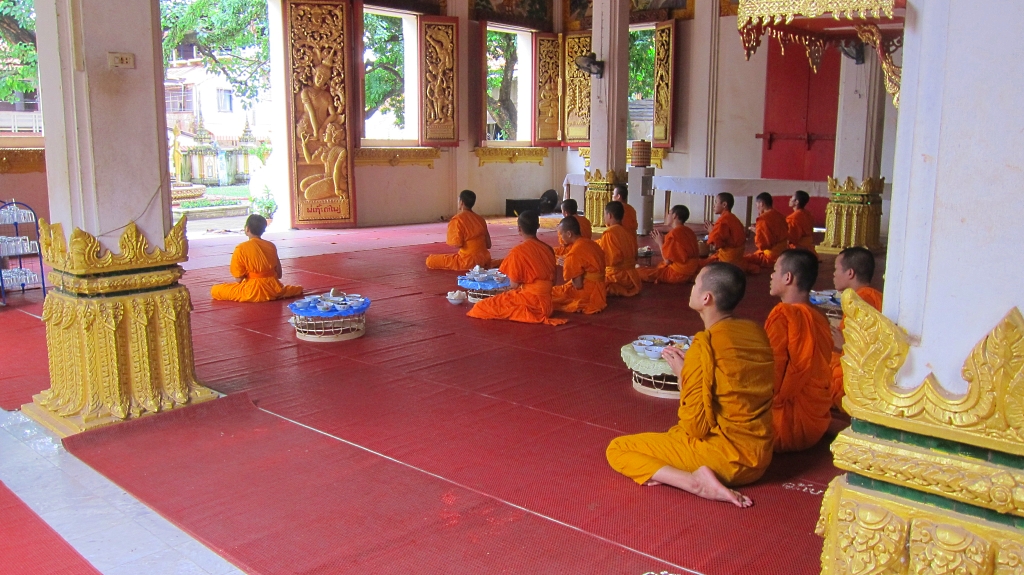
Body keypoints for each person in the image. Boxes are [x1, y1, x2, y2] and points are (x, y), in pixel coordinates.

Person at [606, 263, 775, 508]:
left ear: (706, 298)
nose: (692, 287)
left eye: (695, 284)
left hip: (725, 462)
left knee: (618, 449)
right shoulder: (755, 332)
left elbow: (696, 427)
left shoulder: (704, 348)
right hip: (759, 456)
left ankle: (696, 483)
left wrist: (684, 374)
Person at [765, 250, 834, 452]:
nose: (771, 275)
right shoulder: (819, 318)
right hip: (815, 423)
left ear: (788, 277)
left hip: (781, 426)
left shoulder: (783, 315)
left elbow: (772, 376)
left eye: (775, 270)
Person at [467, 210, 567, 326]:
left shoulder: (518, 252)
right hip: (548, 304)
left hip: (532, 305)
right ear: (538, 226)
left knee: (480, 307)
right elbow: (553, 282)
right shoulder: (549, 249)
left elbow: (514, 285)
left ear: (519, 228)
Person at [829, 247, 883, 411]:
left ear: (850, 273)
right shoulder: (874, 296)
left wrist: (841, 345)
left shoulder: (860, 300)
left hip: (860, 375)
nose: (833, 274)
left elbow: (860, 352)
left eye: (836, 269)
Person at [211, 215, 304, 303]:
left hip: (251, 291)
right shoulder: (271, 246)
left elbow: (238, 279)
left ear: (247, 228)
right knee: (298, 289)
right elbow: (279, 274)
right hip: (274, 290)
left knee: (215, 290)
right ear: (263, 230)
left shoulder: (241, 248)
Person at [551, 216, 607, 314]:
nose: (560, 237)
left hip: (588, 292)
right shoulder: (592, 243)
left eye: (561, 234)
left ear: (569, 234)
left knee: (551, 296)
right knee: (557, 291)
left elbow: (578, 285)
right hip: (601, 289)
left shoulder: (575, 252)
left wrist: (567, 265)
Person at [426, 190, 492, 271]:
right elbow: (488, 245)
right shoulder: (481, 219)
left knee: (430, 260)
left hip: (467, 261)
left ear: (461, 202)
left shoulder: (458, 220)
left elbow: (457, 244)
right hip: (485, 260)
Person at [638, 205, 700, 284]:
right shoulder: (689, 231)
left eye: (669, 213)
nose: (667, 216)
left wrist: (660, 242)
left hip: (678, 273)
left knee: (639, 272)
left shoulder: (674, 234)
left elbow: (667, 261)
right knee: (657, 266)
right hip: (692, 271)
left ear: (675, 216)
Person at [597, 201, 642, 297]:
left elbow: (611, 261)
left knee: (589, 283)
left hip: (618, 277)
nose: (604, 217)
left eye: (605, 214)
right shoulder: (628, 232)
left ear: (609, 215)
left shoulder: (609, 233)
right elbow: (635, 256)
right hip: (633, 278)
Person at [741, 193, 790, 274]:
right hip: (783, 254)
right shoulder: (780, 216)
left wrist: (757, 232)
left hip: (771, 257)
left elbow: (762, 245)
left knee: (741, 260)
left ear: (762, 204)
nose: (757, 208)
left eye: (757, 206)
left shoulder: (763, 219)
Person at [703, 193, 746, 265]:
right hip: (738, 256)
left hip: (728, 259)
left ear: (724, 204)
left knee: (703, 265)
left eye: (716, 202)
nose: (714, 205)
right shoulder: (733, 217)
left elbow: (717, 244)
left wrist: (711, 231)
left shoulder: (723, 220)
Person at [787, 190, 818, 257]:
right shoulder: (808, 214)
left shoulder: (793, 218)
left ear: (797, 202)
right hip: (809, 250)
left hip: (798, 250)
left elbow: (792, 238)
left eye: (792, 198)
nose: (789, 199)